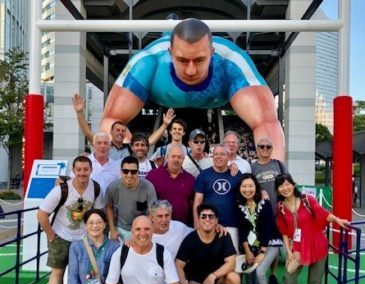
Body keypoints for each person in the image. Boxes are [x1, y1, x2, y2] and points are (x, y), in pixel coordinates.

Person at [102, 18, 285, 161]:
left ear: (212, 53)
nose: (191, 71)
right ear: (170, 52)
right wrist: (130, 166)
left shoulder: (232, 63)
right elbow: (111, 121)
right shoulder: (146, 63)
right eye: (182, 60)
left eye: (199, 60)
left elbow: (266, 123)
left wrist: (273, 181)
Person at [275, 173, 348, 284]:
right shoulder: (280, 207)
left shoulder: (308, 200)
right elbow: (284, 232)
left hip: (317, 245)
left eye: (287, 184)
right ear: (278, 190)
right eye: (281, 186)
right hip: (298, 249)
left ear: (293, 185)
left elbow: (324, 214)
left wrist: (337, 220)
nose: (285, 188)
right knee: (288, 277)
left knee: (314, 283)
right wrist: (288, 252)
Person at [37, 156, 104, 284]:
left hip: (84, 237)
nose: (82, 173)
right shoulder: (61, 190)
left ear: (91, 170)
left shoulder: (95, 188)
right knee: (58, 271)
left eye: (85, 169)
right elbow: (42, 214)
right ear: (73, 171)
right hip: (61, 234)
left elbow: (97, 211)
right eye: (79, 169)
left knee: (88, 271)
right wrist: (51, 234)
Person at [236, 173, 282, 284]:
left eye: (251, 186)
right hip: (251, 245)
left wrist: (262, 251)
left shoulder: (264, 202)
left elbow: (268, 227)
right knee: (250, 271)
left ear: (256, 187)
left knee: (260, 272)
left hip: (269, 242)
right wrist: (247, 252)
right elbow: (242, 230)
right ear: (239, 188)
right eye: (244, 186)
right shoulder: (239, 205)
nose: (247, 190)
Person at [251, 136, 287, 284]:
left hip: (278, 212)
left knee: (275, 245)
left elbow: (288, 183)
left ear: (272, 149)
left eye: (268, 147)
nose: (265, 149)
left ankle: (272, 274)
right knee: (260, 243)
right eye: (261, 146)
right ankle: (258, 274)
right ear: (257, 148)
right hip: (260, 214)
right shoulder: (252, 167)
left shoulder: (278, 165)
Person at [193, 144, 242, 252]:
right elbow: (198, 201)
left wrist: (262, 191)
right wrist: (197, 224)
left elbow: (248, 191)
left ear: (228, 157)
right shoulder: (204, 175)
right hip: (208, 223)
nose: (218, 157)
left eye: (222, 154)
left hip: (231, 225)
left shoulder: (237, 174)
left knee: (232, 259)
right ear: (212, 156)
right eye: (216, 154)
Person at [105, 156, 157, 242]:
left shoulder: (148, 187)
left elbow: (151, 212)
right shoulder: (113, 187)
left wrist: (141, 231)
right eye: (125, 171)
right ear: (121, 172)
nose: (129, 175)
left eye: (133, 172)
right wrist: (113, 229)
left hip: (140, 229)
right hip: (119, 228)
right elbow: (109, 207)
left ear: (138, 172)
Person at [72, 94, 131, 160]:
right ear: (111, 132)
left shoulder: (130, 148)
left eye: (123, 131)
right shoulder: (104, 144)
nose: (120, 133)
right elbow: (87, 133)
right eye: (118, 130)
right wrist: (79, 112)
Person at [146, 146, 195, 224]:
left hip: (182, 227)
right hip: (158, 226)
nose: (176, 159)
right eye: (173, 156)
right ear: (167, 158)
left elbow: (193, 204)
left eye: (179, 157)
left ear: (183, 159)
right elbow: (145, 199)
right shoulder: (153, 175)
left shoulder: (190, 179)